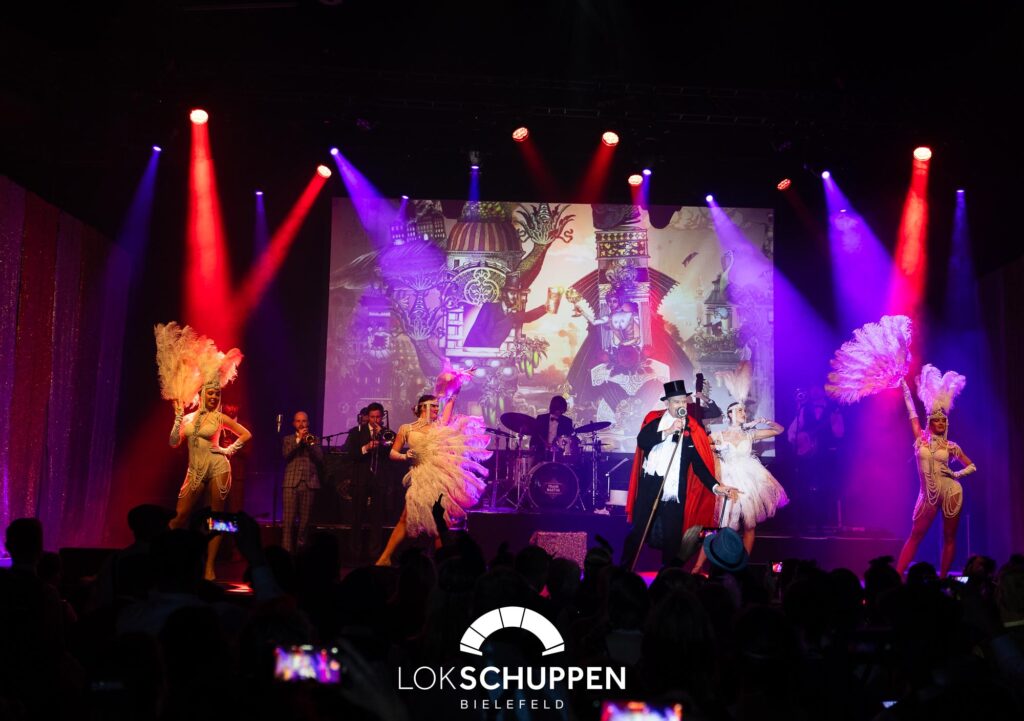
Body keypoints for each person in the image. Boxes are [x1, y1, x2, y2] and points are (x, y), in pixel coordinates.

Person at [621, 379, 741, 568]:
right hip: (650, 488)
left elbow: (700, 466)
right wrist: (668, 431)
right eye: (676, 402)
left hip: (674, 493)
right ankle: (624, 570)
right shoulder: (655, 421)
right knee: (638, 534)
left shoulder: (693, 430)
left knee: (672, 540)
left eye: (683, 401)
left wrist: (716, 487)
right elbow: (642, 441)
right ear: (667, 404)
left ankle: (669, 578)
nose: (681, 405)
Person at [375, 385, 490, 566]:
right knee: (406, 517)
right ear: (423, 407)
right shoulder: (407, 428)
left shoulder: (439, 425)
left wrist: (458, 381)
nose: (437, 409)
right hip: (419, 477)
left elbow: (451, 400)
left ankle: (440, 563)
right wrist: (405, 455)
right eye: (434, 406)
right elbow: (392, 453)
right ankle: (385, 558)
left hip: (438, 478)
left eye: (437, 406)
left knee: (438, 522)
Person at [896, 366, 977, 576]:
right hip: (927, 495)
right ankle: (897, 575)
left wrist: (956, 475)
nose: (940, 422)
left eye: (943, 420)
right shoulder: (920, 439)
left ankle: (942, 581)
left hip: (951, 492)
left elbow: (971, 465)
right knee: (916, 535)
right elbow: (912, 413)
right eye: (937, 420)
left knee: (949, 537)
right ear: (930, 422)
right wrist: (904, 386)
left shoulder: (951, 446)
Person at [169, 382, 251, 580]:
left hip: (218, 468)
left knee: (216, 519)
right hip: (194, 470)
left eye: (217, 394)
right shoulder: (188, 418)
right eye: (210, 393)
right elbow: (173, 443)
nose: (214, 397)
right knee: (180, 516)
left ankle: (209, 567)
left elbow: (246, 434)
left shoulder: (220, 417)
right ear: (202, 395)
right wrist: (178, 418)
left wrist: (227, 450)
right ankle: (169, 558)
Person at [709, 403, 788, 554]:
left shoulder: (750, 434)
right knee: (725, 522)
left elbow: (779, 430)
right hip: (727, 479)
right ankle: (723, 556)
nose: (743, 413)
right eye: (739, 410)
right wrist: (715, 448)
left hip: (748, 479)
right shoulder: (719, 435)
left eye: (744, 410)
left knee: (749, 524)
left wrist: (764, 421)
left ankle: (744, 559)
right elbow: (702, 447)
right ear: (730, 414)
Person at [786, 385, 844, 531]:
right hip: (808, 456)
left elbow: (839, 433)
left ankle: (821, 523)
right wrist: (800, 441)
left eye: (817, 388)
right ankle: (803, 522)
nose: (814, 391)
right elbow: (793, 431)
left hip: (826, 454)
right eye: (812, 388)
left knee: (824, 488)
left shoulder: (833, 409)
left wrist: (835, 421)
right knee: (804, 487)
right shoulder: (804, 409)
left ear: (823, 391)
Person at [343, 402, 388, 562]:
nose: (375, 420)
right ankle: (354, 553)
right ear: (367, 417)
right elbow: (350, 454)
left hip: (378, 480)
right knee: (357, 518)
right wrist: (366, 447)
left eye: (378, 417)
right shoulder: (356, 432)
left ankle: (375, 554)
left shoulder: (387, 432)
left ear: (382, 417)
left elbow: (391, 452)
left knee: (377, 519)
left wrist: (382, 438)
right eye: (372, 417)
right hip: (360, 479)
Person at [281, 411, 324, 553]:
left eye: (304, 421)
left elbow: (320, 458)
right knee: (288, 522)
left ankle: (301, 553)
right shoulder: (288, 439)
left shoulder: (314, 439)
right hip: (291, 484)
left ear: (308, 423)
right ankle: (286, 553)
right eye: (298, 421)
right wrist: (299, 440)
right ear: (294, 423)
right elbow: (286, 454)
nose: (301, 424)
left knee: (305, 522)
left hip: (309, 483)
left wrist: (309, 443)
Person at [530, 395, 574, 464]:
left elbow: (568, 439)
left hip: (559, 455)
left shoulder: (567, 421)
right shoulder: (541, 418)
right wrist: (532, 448)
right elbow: (535, 435)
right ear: (554, 407)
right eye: (560, 409)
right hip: (542, 453)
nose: (562, 412)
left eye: (563, 410)